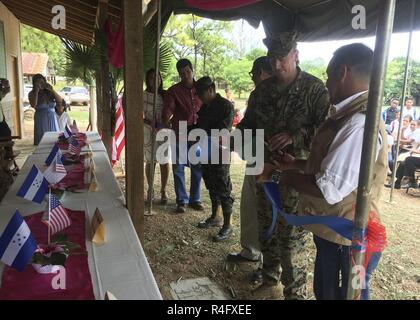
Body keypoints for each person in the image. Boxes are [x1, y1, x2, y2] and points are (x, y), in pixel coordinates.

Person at [271, 43, 387, 300]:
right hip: (336, 235)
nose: (325, 82)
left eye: (328, 74)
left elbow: (329, 188)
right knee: (326, 292)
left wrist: (288, 178)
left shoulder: (359, 123)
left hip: (348, 238)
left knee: (348, 295)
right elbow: (335, 165)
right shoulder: (348, 115)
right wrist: (296, 164)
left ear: (342, 72)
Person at [234, 32, 331, 299]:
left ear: (296, 56)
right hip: (264, 171)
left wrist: (294, 135)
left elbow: (327, 132)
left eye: (282, 58)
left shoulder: (315, 89)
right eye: (272, 59)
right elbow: (247, 125)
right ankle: (269, 279)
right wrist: (238, 137)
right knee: (267, 229)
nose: (277, 65)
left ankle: (294, 294)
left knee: (291, 239)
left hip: (295, 175)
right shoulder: (262, 91)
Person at [227, 56, 272, 264]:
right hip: (255, 157)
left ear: (261, 72)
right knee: (250, 204)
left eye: (253, 74)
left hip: (276, 164)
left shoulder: (287, 93)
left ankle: (268, 263)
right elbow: (247, 123)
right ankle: (251, 251)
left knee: (269, 212)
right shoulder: (256, 96)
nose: (253, 78)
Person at [194, 76, 235, 241]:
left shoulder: (225, 106)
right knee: (211, 184)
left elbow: (222, 130)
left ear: (211, 89)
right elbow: (200, 126)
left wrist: (200, 133)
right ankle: (215, 217)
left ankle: (228, 224)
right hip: (206, 150)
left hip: (220, 151)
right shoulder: (205, 107)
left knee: (223, 187)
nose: (199, 97)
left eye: (200, 93)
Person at [162, 59, 203, 213]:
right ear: (179, 74)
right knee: (178, 167)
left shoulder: (202, 88)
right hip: (180, 133)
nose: (185, 75)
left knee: (197, 167)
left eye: (187, 71)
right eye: (182, 73)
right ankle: (181, 200)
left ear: (192, 71)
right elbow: (167, 111)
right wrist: (165, 119)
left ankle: (195, 199)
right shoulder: (173, 91)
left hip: (198, 134)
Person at [143, 68, 170, 205]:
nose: (156, 80)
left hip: (163, 130)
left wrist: (165, 122)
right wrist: (148, 122)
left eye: (158, 77)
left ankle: (163, 191)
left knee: (164, 161)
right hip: (148, 131)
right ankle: (150, 189)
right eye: (152, 77)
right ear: (148, 80)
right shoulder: (143, 95)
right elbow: (138, 115)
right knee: (150, 161)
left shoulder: (166, 95)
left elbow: (172, 110)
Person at [29, 74, 62, 145]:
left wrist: (52, 90)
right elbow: (33, 105)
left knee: (55, 141)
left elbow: (60, 100)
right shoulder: (32, 93)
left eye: (42, 82)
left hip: (52, 118)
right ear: (34, 84)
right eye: (38, 82)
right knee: (42, 142)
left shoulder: (49, 92)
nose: (41, 84)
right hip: (41, 119)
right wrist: (36, 92)